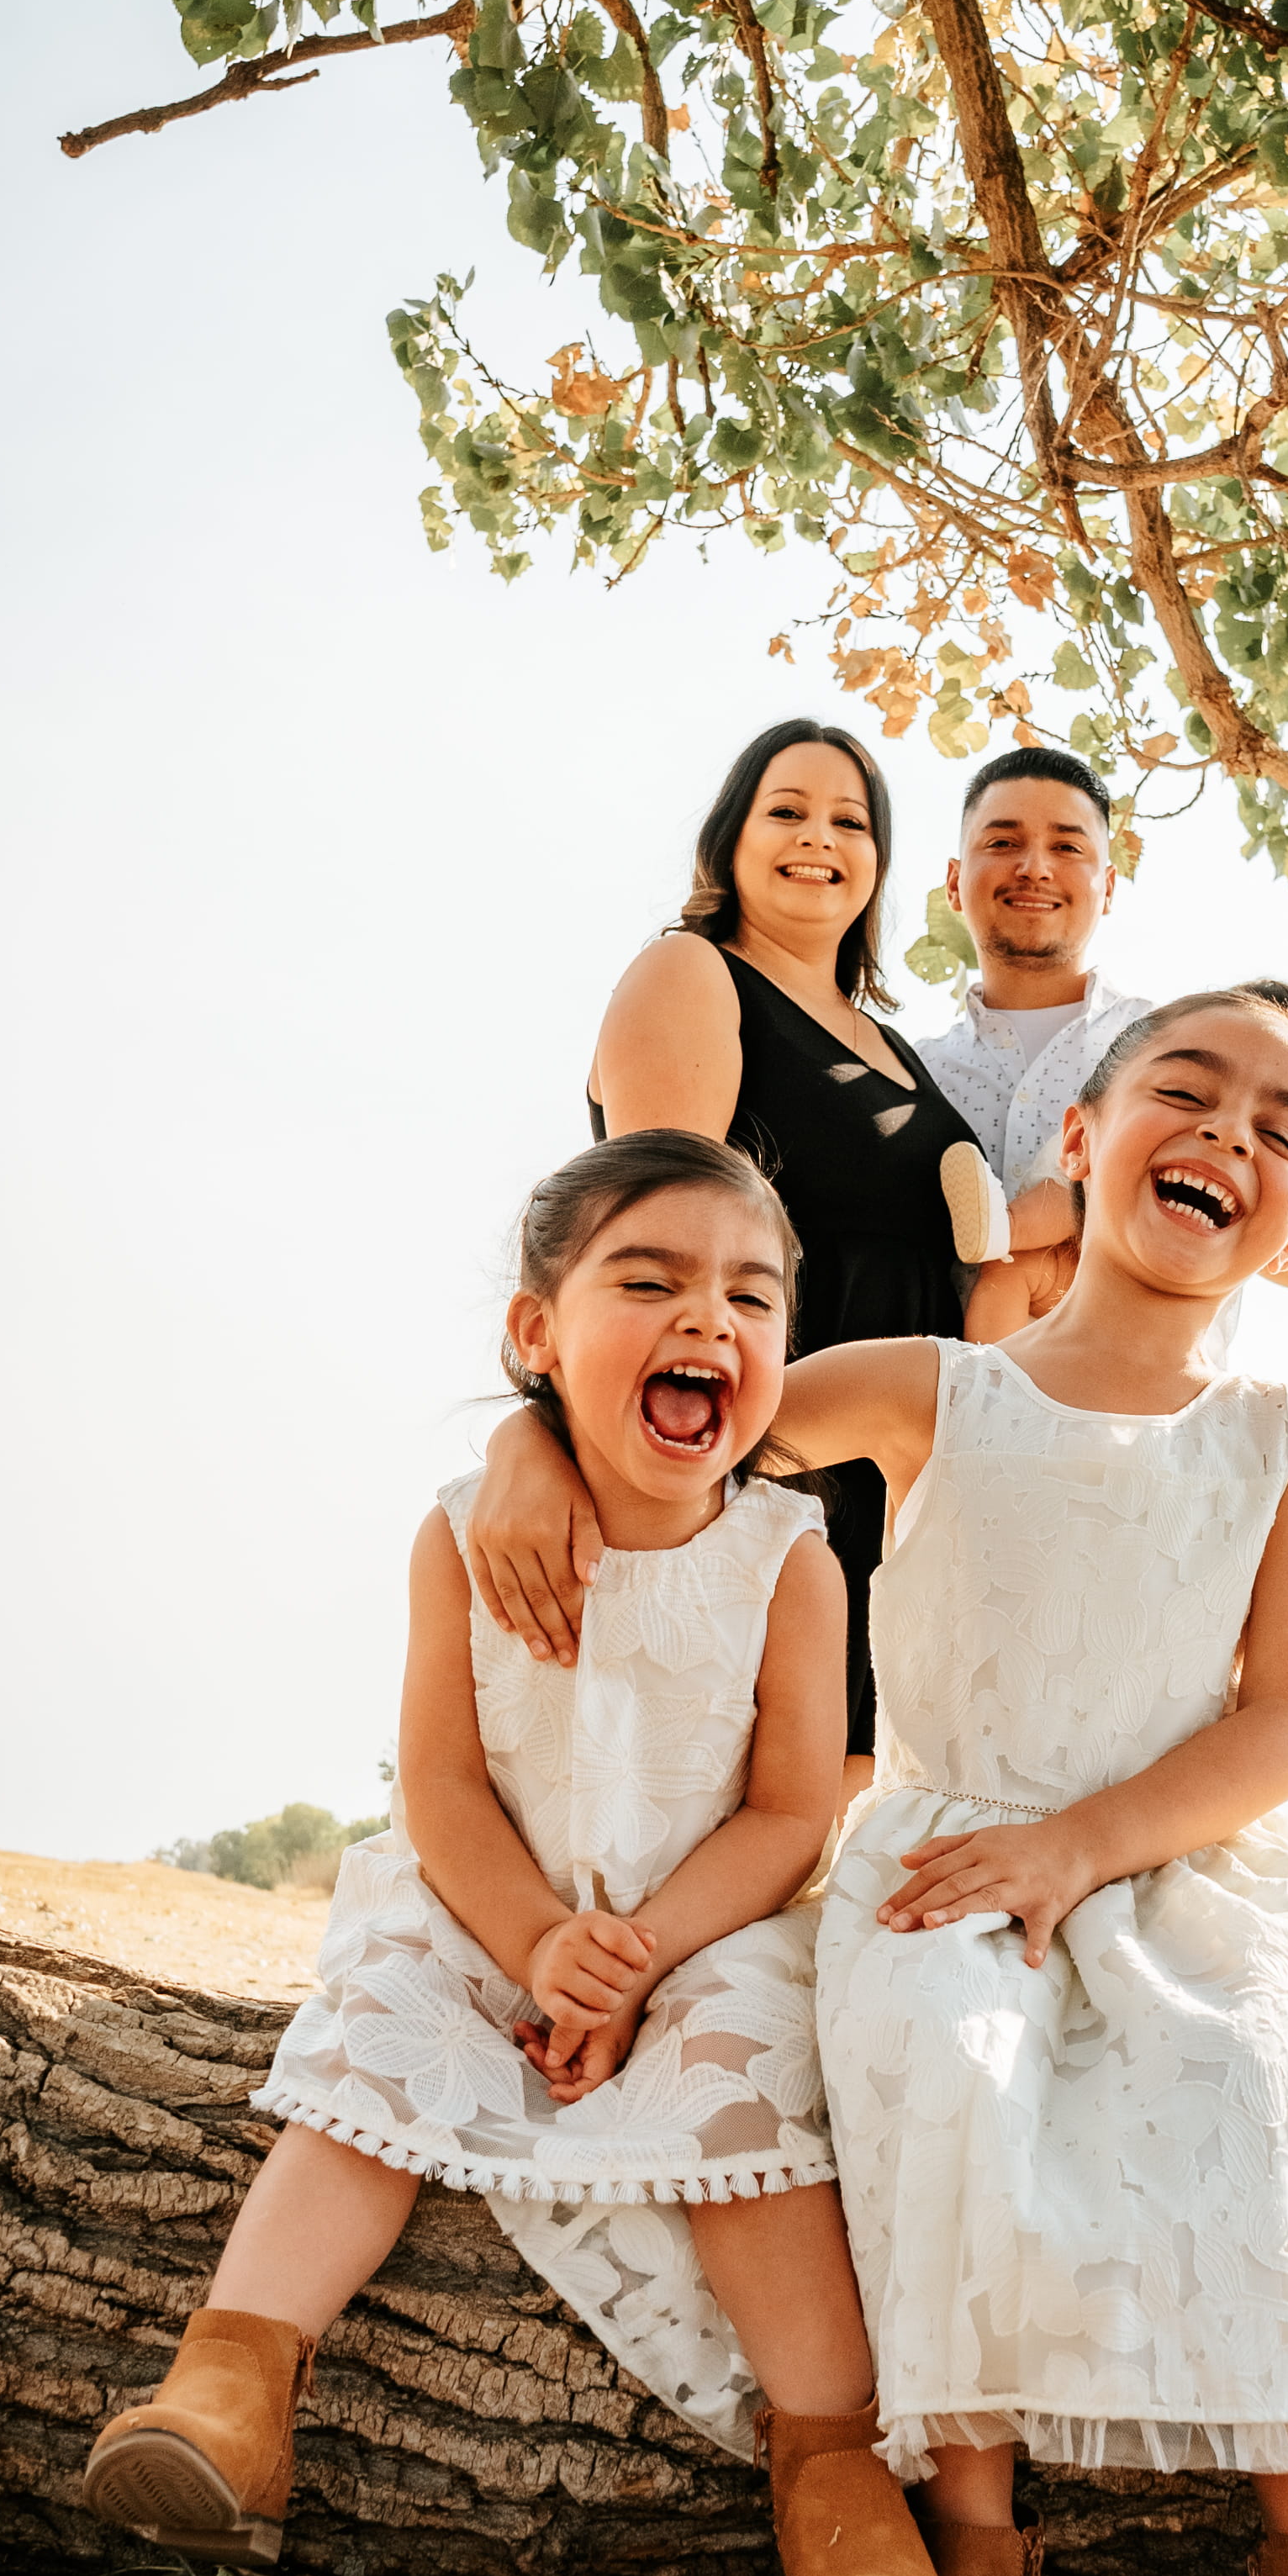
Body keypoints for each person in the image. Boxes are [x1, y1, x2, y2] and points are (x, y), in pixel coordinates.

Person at [481, 984, 1288, 2576]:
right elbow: (692, 1413)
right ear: (1075, 1144)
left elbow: (1286, 1727)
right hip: (944, 1850)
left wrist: (1086, 1851)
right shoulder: (940, 1387)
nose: (1226, 1135)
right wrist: (531, 1443)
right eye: (1183, 1090)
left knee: (1263, 2079)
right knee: (948, 2063)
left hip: (1184, 1866)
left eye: (1278, 1126)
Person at [82, 1130, 948, 2576]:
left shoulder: (786, 1559)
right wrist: (539, 1942)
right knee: (373, 2048)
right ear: (534, 1336)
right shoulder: (458, 1533)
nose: (710, 1323)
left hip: (702, 1924)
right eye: (650, 1280)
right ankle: (233, 2377)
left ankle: (833, 2469)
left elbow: (790, 1812)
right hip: (481, 1905)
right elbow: (440, 1784)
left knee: (750, 2088)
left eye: (752, 1297)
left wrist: (635, 1955)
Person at [468, 719, 986, 1785]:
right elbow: (649, 1241)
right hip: (754, 1448)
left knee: (848, 1800)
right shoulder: (692, 973)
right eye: (785, 810)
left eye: (850, 821)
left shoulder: (892, 1045)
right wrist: (534, 1429)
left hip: (887, 1475)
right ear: (729, 840)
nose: (818, 838)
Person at [916, 747, 1288, 1342]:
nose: (1035, 867)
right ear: (955, 882)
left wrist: (1163, 1223)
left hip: (1146, 1420)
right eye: (1003, 843)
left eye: (1067, 847)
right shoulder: (908, 1075)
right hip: (948, 1421)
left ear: (1108, 886)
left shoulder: (1191, 1055)